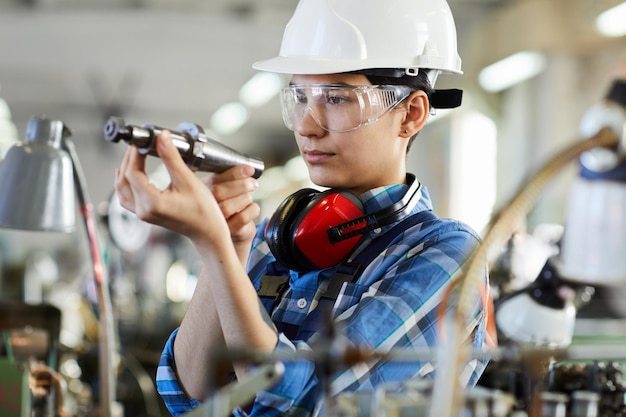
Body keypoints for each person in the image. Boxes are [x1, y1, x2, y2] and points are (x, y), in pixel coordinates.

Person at [114, 0, 492, 415]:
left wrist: (215, 246)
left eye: (335, 98)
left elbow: (313, 404)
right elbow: (189, 394)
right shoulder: (277, 238)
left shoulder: (448, 256)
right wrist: (229, 241)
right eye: (299, 97)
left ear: (410, 114)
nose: (307, 125)